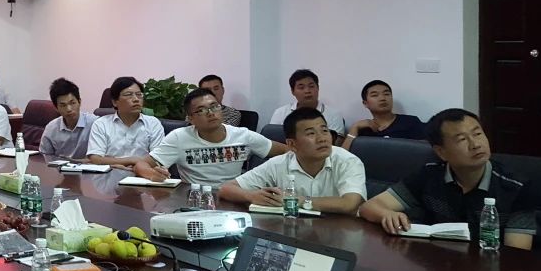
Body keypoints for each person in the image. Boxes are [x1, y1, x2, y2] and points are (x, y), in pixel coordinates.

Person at [358, 109, 535, 249]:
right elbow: (369, 207)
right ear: (441, 152)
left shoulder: (514, 187)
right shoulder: (429, 175)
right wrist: (387, 214)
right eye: (461, 139)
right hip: (440, 266)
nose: (475, 144)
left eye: (478, 134)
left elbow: (516, 255)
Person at [221, 108, 366, 214]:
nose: (322, 138)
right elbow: (226, 189)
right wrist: (251, 196)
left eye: (324, 130)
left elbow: (350, 203)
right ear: (292, 144)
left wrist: (297, 200)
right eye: (311, 133)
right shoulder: (279, 164)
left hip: (340, 232)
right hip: (294, 230)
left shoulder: (347, 161)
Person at [135, 88, 287, 187]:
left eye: (214, 106)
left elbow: (288, 152)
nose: (211, 113)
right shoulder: (179, 138)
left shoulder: (242, 135)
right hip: (193, 199)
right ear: (190, 119)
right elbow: (141, 164)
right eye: (201, 110)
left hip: (233, 196)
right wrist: (153, 174)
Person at [86, 76, 164, 169]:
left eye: (139, 94)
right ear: (115, 102)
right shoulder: (101, 124)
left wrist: (132, 166)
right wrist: (131, 160)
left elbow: (158, 158)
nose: (136, 99)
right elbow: (95, 159)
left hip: (143, 175)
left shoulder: (153, 123)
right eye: (128, 95)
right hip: (110, 175)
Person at [342, 80, 426, 148]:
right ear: (365, 103)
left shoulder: (410, 122)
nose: (382, 98)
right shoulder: (362, 128)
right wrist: (354, 127)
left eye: (386, 94)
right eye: (375, 95)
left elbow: (425, 151)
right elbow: (342, 158)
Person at [268, 69, 345, 134]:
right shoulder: (280, 113)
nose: (307, 91)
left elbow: (336, 144)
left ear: (318, 88)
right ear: (292, 91)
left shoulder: (333, 116)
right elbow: (272, 139)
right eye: (301, 88)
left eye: (311, 86)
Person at [38, 78, 96, 160]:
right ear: (56, 108)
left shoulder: (95, 123)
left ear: (79, 102)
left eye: (72, 103)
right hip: (59, 167)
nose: (69, 109)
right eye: (63, 105)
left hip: (88, 167)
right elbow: (45, 156)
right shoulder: (51, 128)